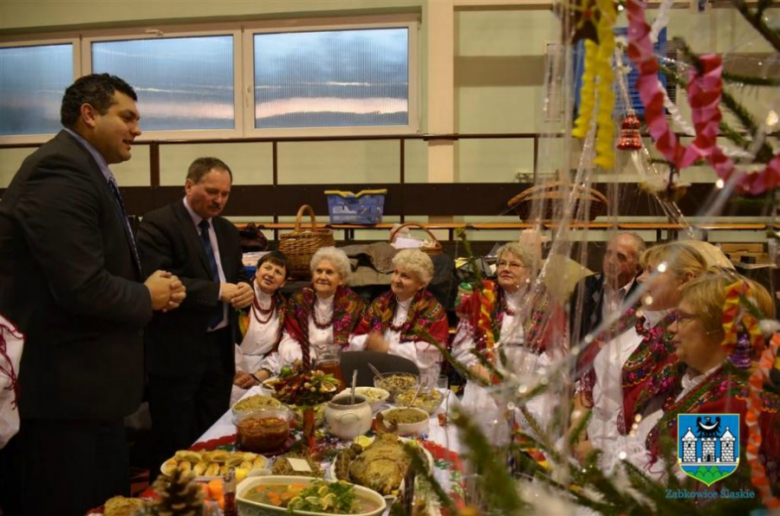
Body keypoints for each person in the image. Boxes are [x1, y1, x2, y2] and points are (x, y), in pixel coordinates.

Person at [0, 74, 185, 516]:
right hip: (62, 397)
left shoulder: (85, 169)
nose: (137, 129)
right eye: (127, 116)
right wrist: (147, 296)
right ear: (88, 114)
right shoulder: (58, 170)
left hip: (88, 394)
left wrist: (149, 286)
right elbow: (81, 287)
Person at [136, 157, 252, 476]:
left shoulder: (227, 230)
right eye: (212, 191)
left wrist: (245, 289)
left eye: (225, 194)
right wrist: (217, 291)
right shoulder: (158, 223)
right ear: (189, 186)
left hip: (219, 350)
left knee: (213, 435)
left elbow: (238, 274)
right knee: (175, 441)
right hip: (176, 352)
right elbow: (159, 280)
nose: (219, 200)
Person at [573, 241, 729, 464]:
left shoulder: (720, 395)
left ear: (714, 326)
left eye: (683, 318)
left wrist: (605, 454)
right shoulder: (696, 383)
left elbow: (701, 483)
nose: (672, 327)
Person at [628, 271, 779, 490]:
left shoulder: (729, 405)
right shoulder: (698, 379)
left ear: (720, 329)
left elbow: (689, 499)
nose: (671, 328)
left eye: (683, 318)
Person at [452, 242, 565, 440]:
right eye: (502, 263)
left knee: (536, 420)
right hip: (485, 383)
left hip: (532, 388)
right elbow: (461, 347)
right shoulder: (482, 298)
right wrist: (481, 372)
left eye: (514, 264)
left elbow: (558, 356)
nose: (505, 268)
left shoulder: (548, 305)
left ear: (530, 272)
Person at [349, 249, 449, 379]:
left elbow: (428, 356)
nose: (396, 280)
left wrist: (386, 348)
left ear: (421, 284)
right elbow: (358, 337)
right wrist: (366, 341)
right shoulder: (380, 304)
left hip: (419, 381)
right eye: (396, 272)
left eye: (405, 276)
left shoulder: (433, 311)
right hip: (379, 376)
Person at [278, 247, 365, 370]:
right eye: (318, 271)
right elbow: (288, 338)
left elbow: (358, 342)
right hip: (303, 363)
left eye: (329, 272)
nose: (322, 277)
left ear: (341, 279)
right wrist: (308, 359)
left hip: (339, 364)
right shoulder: (298, 299)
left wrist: (330, 362)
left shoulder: (354, 304)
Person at [231, 251, 288, 404]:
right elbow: (223, 336)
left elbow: (281, 346)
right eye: (267, 268)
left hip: (263, 373)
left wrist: (261, 374)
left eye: (278, 272)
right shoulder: (240, 295)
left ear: (283, 282)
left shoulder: (284, 308)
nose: (270, 274)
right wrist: (237, 372)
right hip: (230, 369)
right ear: (256, 271)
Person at [570, 232, 645, 344]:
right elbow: (575, 333)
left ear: (637, 266)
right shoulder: (587, 285)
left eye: (620, 257)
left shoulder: (643, 290)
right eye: (608, 253)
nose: (610, 261)